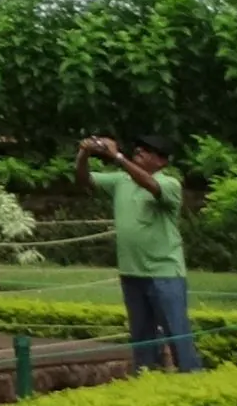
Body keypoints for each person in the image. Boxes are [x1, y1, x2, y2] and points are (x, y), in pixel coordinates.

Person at [76, 133, 204, 374]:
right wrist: (84, 154)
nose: (140, 151)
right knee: (142, 338)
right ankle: (147, 379)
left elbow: (151, 185)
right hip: (131, 271)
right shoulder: (121, 181)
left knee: (177, 334)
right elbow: (84, 180)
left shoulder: (170, 184)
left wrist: (117, 156)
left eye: (148, 150)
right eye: (139, 147)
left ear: (161, 161)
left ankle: (192, 377)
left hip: (164, 272)